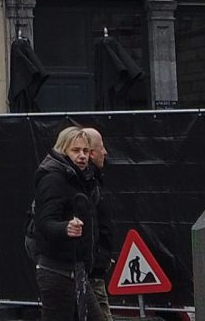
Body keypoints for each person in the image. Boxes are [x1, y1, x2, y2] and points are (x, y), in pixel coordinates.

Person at [27, 125, 99, 321]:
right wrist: (65, 228)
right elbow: (44, 222)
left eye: (85, 151)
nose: (82, 156)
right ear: (63, 151)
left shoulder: (82, 179)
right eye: (75, 150)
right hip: (56, 270)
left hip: (77, 270)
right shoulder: (54, 179)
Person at [82, 129, 114, 321]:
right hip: (90, 270)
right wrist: (99, 257)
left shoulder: (93, 181)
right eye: (102, 147)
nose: (106, 152)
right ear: (92, 153)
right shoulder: (86, 183)